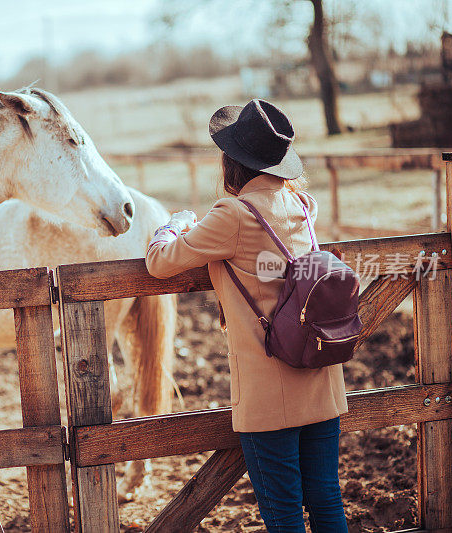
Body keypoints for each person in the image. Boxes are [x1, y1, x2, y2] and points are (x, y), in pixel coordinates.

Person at [145, 99, 348, 532]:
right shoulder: (302, 207)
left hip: (268, 391)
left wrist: (173, 224)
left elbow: (160, 263)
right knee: (327, 500)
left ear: (231, 162)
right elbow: (274, 269)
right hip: (320, 378)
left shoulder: (232, 215)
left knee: (284, 514)